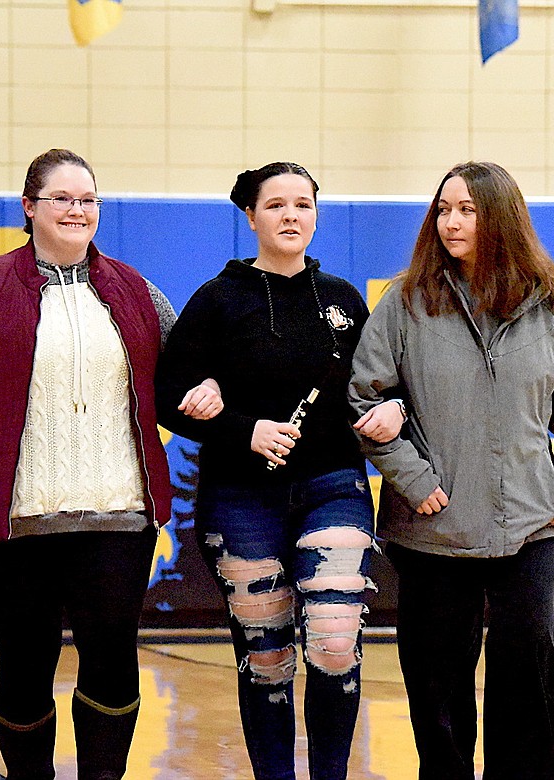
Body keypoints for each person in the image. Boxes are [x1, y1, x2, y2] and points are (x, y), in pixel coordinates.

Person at [0, 148, 216, 780]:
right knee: (26, 663)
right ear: (29, 208)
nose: (78, 210)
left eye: (88, 199)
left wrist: (206, 387)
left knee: (111, 659)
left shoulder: (135, 291)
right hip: (15, 520)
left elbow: (182, 371)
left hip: (118, 514)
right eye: (62, 198)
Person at [349, 161, 554, 779]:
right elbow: (364, 399)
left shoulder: (550, 304)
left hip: (531, 525)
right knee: (437, 689)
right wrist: (416, 482)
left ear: (502, 218)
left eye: (467, 209)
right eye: (443, 209)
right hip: (434, 527)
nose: (452, 222)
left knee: (530, 678)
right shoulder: (405, 303)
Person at [155, 162, 404, 780]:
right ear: (251, 216)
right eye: (276, 206)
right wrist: (243, 428)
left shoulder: (344, 300)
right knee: (265, 656)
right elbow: (167, 395)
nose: (291, 216)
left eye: (303, 205)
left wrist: (394, 409)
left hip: (333, 488)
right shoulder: (218, 300)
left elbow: (381, 388)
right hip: (240, 499)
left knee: (335, 637)